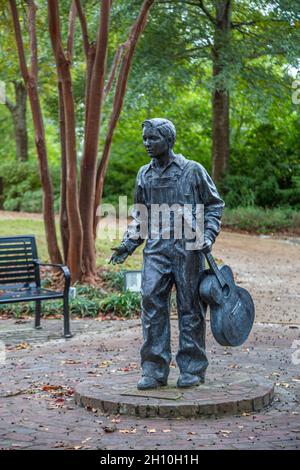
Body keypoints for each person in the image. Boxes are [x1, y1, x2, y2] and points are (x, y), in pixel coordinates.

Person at [110, 118, 224, 389]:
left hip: (188, 251)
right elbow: (142, 217)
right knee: (151, 305)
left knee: (190, 307)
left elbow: (214, 205)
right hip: (156, 251)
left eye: (153, 138)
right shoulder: (144, 175)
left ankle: (193, 368)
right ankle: (153, 369)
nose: (147, 143)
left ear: (168, 140)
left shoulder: (192, 171)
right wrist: (128, 244)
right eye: (145, 138)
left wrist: (208, 235)